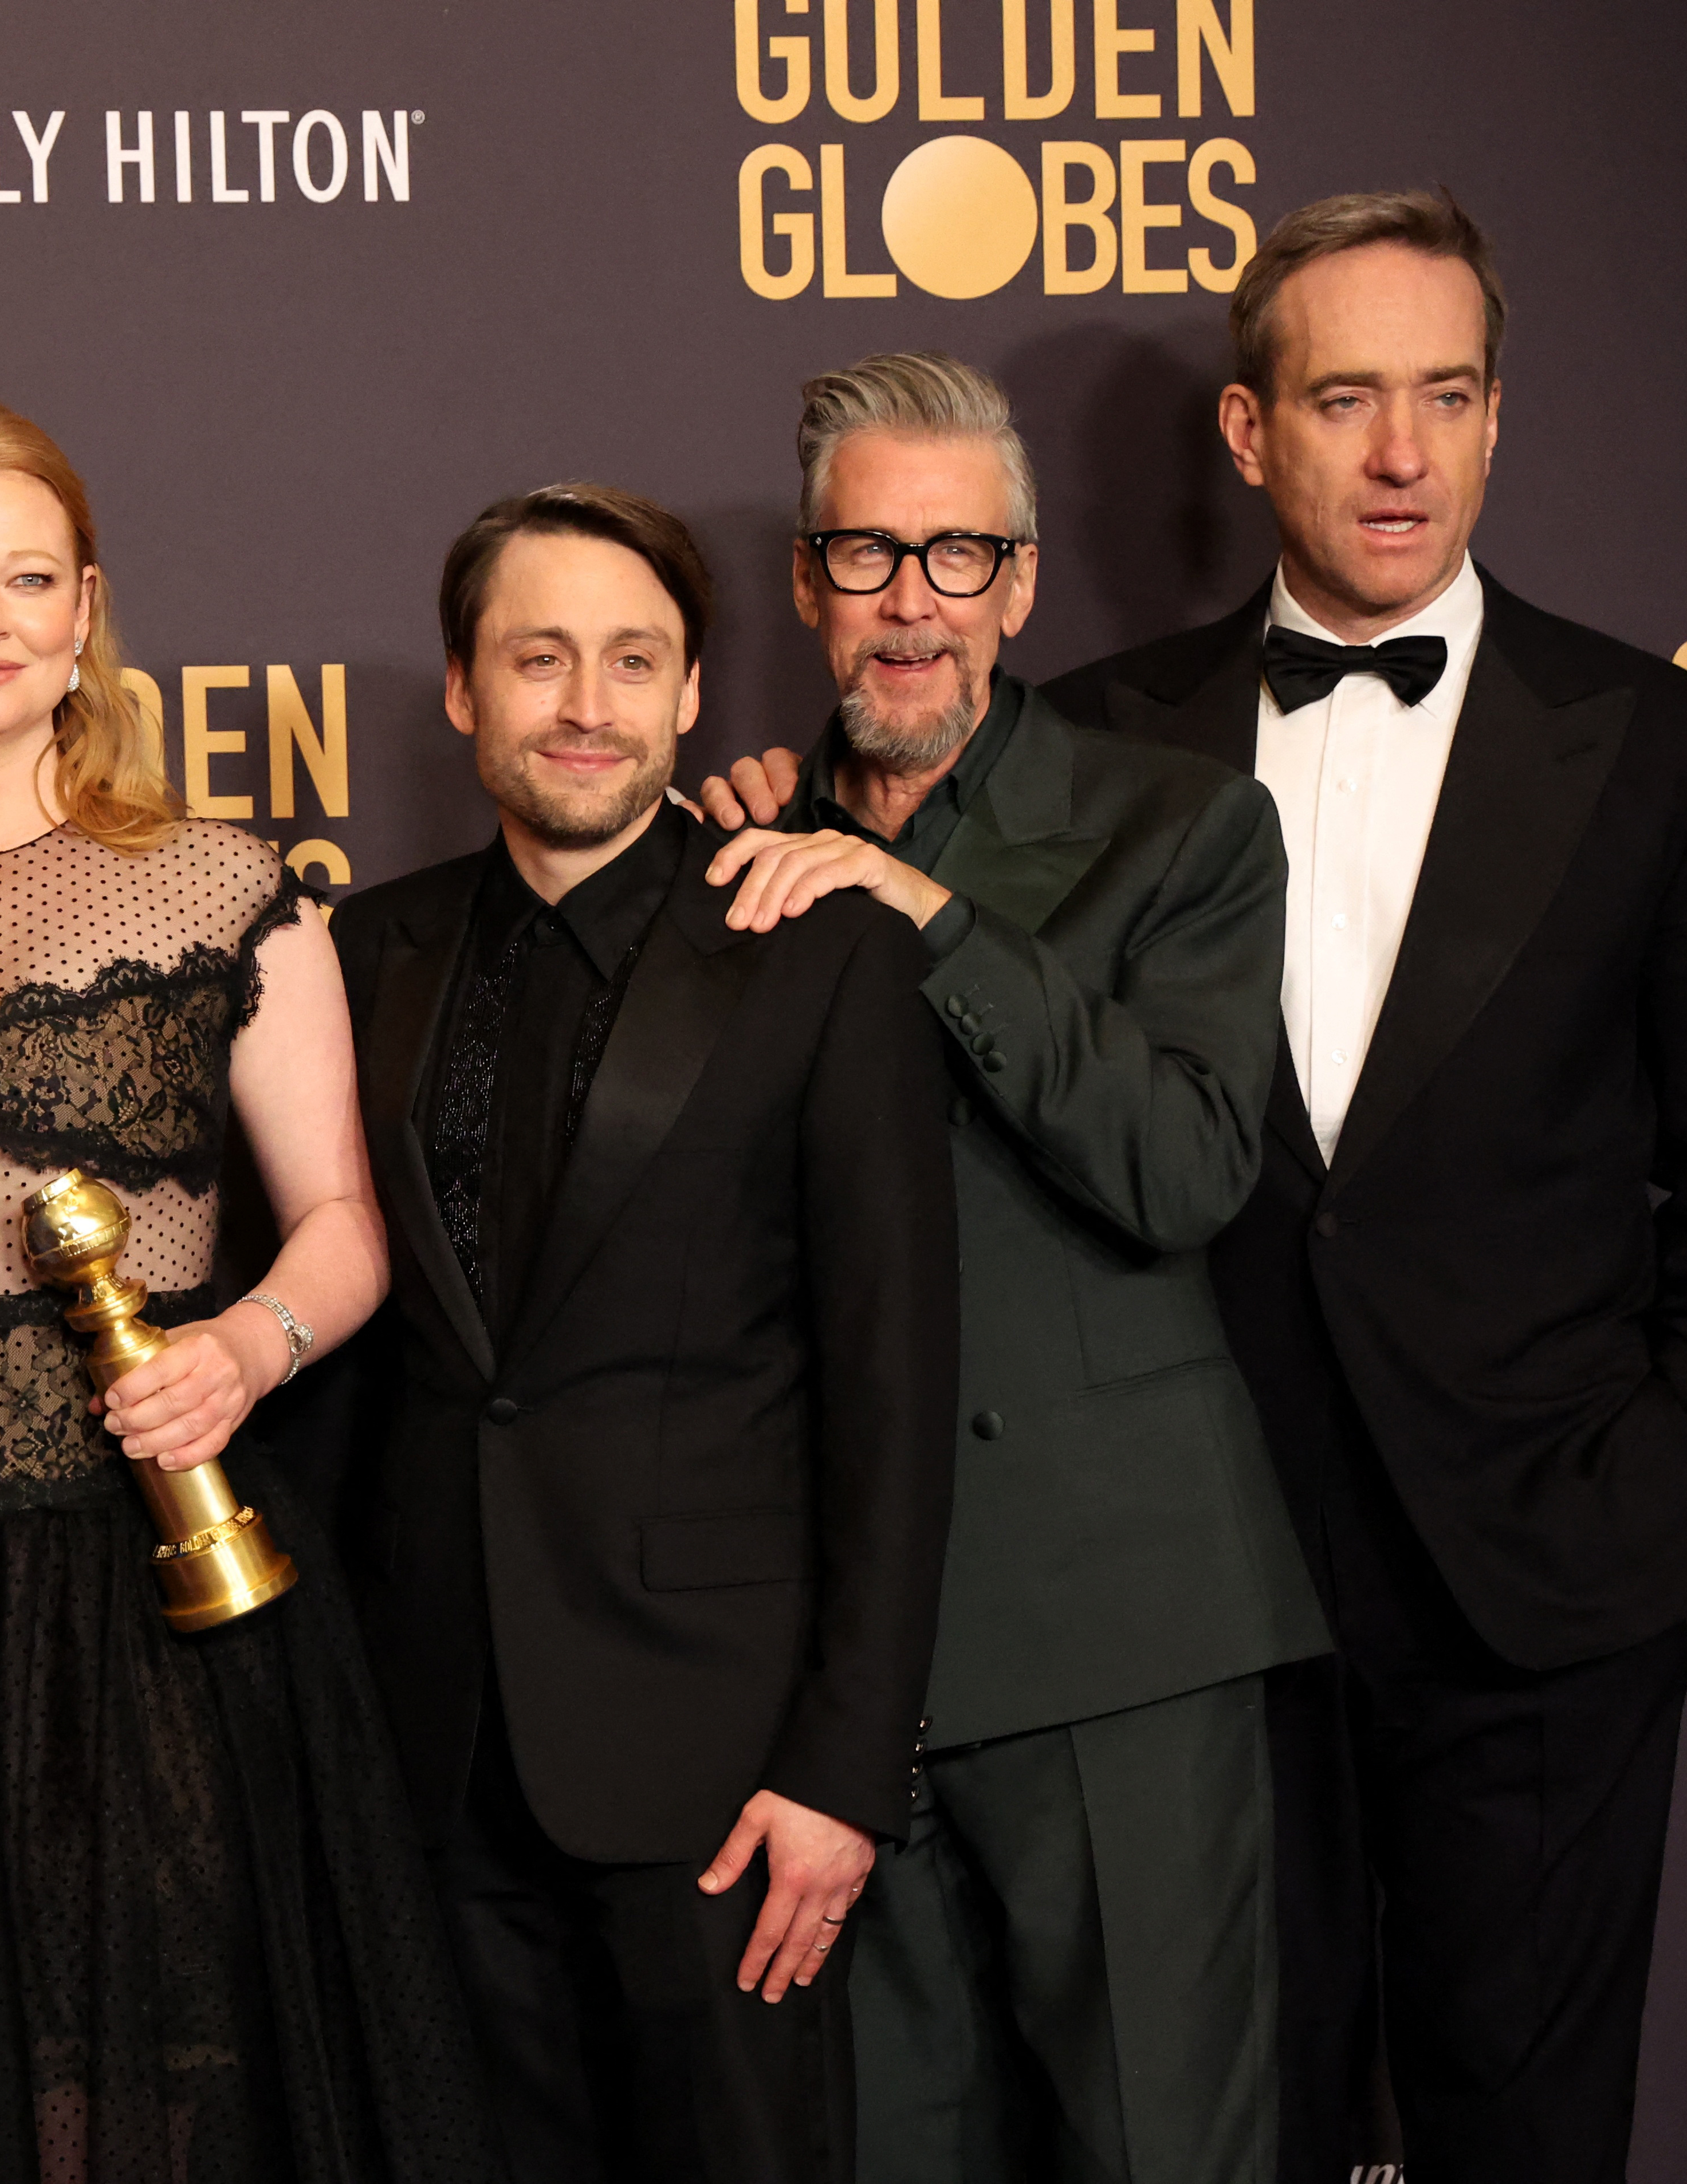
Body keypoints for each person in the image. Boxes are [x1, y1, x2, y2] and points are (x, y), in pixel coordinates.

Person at [1034, 191, 1687, 2184]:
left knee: (1528, 2141)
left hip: (1542, 1594)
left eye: (1448, 397)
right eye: (1350, 398)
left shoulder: (1675, 751)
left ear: (1495, 422)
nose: (1402, 453)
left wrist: (1651, 1493)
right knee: (1208, 2140)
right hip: (1197, 1603)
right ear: (1248, 435)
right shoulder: (1085, 748)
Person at [0, 400, 500, 2184]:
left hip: (166, 1576)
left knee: (176, 2079)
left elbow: (347, 1222)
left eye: (28, 580)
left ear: (87, 610)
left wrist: (244, 1349)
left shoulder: (223, 886)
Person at [692, 354, 1322, 2184]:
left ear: (1022, 588)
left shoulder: (1178, 829)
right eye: (868, 555)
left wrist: (937, 923)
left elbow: (1185, 1167)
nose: (911, 603)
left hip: (1117, 1635)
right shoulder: (724, 852)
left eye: (958, 556)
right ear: (805, 588)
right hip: (835, 1678)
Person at [315, 481, 959, 2183]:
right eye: (539, 658)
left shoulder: (823, 950)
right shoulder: (365, 953)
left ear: (691, 696)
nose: (585, 705)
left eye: (632, 662)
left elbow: (896, 1389)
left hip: (722, 1776)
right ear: (462, 689)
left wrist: (844, 1767)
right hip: (434, 1754)